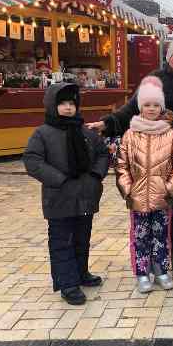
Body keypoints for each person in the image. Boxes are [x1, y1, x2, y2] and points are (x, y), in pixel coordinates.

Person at [87, 39, 173, 273]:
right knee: (167, 203)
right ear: (168, 58)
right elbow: (131, 109)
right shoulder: (155, 80)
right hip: (162, 152)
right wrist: (107, 123)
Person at [23, 83, 109, 305]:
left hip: (85, 196)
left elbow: (102, 154)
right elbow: (32, 161)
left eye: (72, 103)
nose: (68, 108)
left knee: (82, 238)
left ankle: (81, 273)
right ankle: (67, 283)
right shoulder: (43, 133)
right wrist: (58, 179)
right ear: (52, 105)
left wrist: (95, 175)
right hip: (59, 198)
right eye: (62, 103)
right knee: (62, 241)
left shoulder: (86, 132)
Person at [115, 77, 173, 293]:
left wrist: (169, 188)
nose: (152, 109)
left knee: (161, 235)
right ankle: (142, 273)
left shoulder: (170, 134)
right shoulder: (130, 134)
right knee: (140, 236)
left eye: (156, 105)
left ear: (161, 107)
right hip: (138, 198)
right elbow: (121, 166)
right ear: (140, 107)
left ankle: (161, 270)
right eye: (147, 105)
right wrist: (128, 190)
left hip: (162, 197)